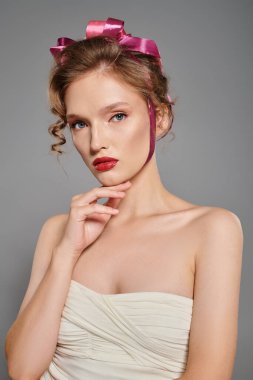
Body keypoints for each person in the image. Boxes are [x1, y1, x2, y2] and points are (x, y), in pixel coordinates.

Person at [5, 17, 243, 380]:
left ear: (159, 117)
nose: (96, 140)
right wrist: (66, 253)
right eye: (79, 124)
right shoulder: (58, 232)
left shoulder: (212, 229)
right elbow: (22, 370)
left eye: (117, 115)